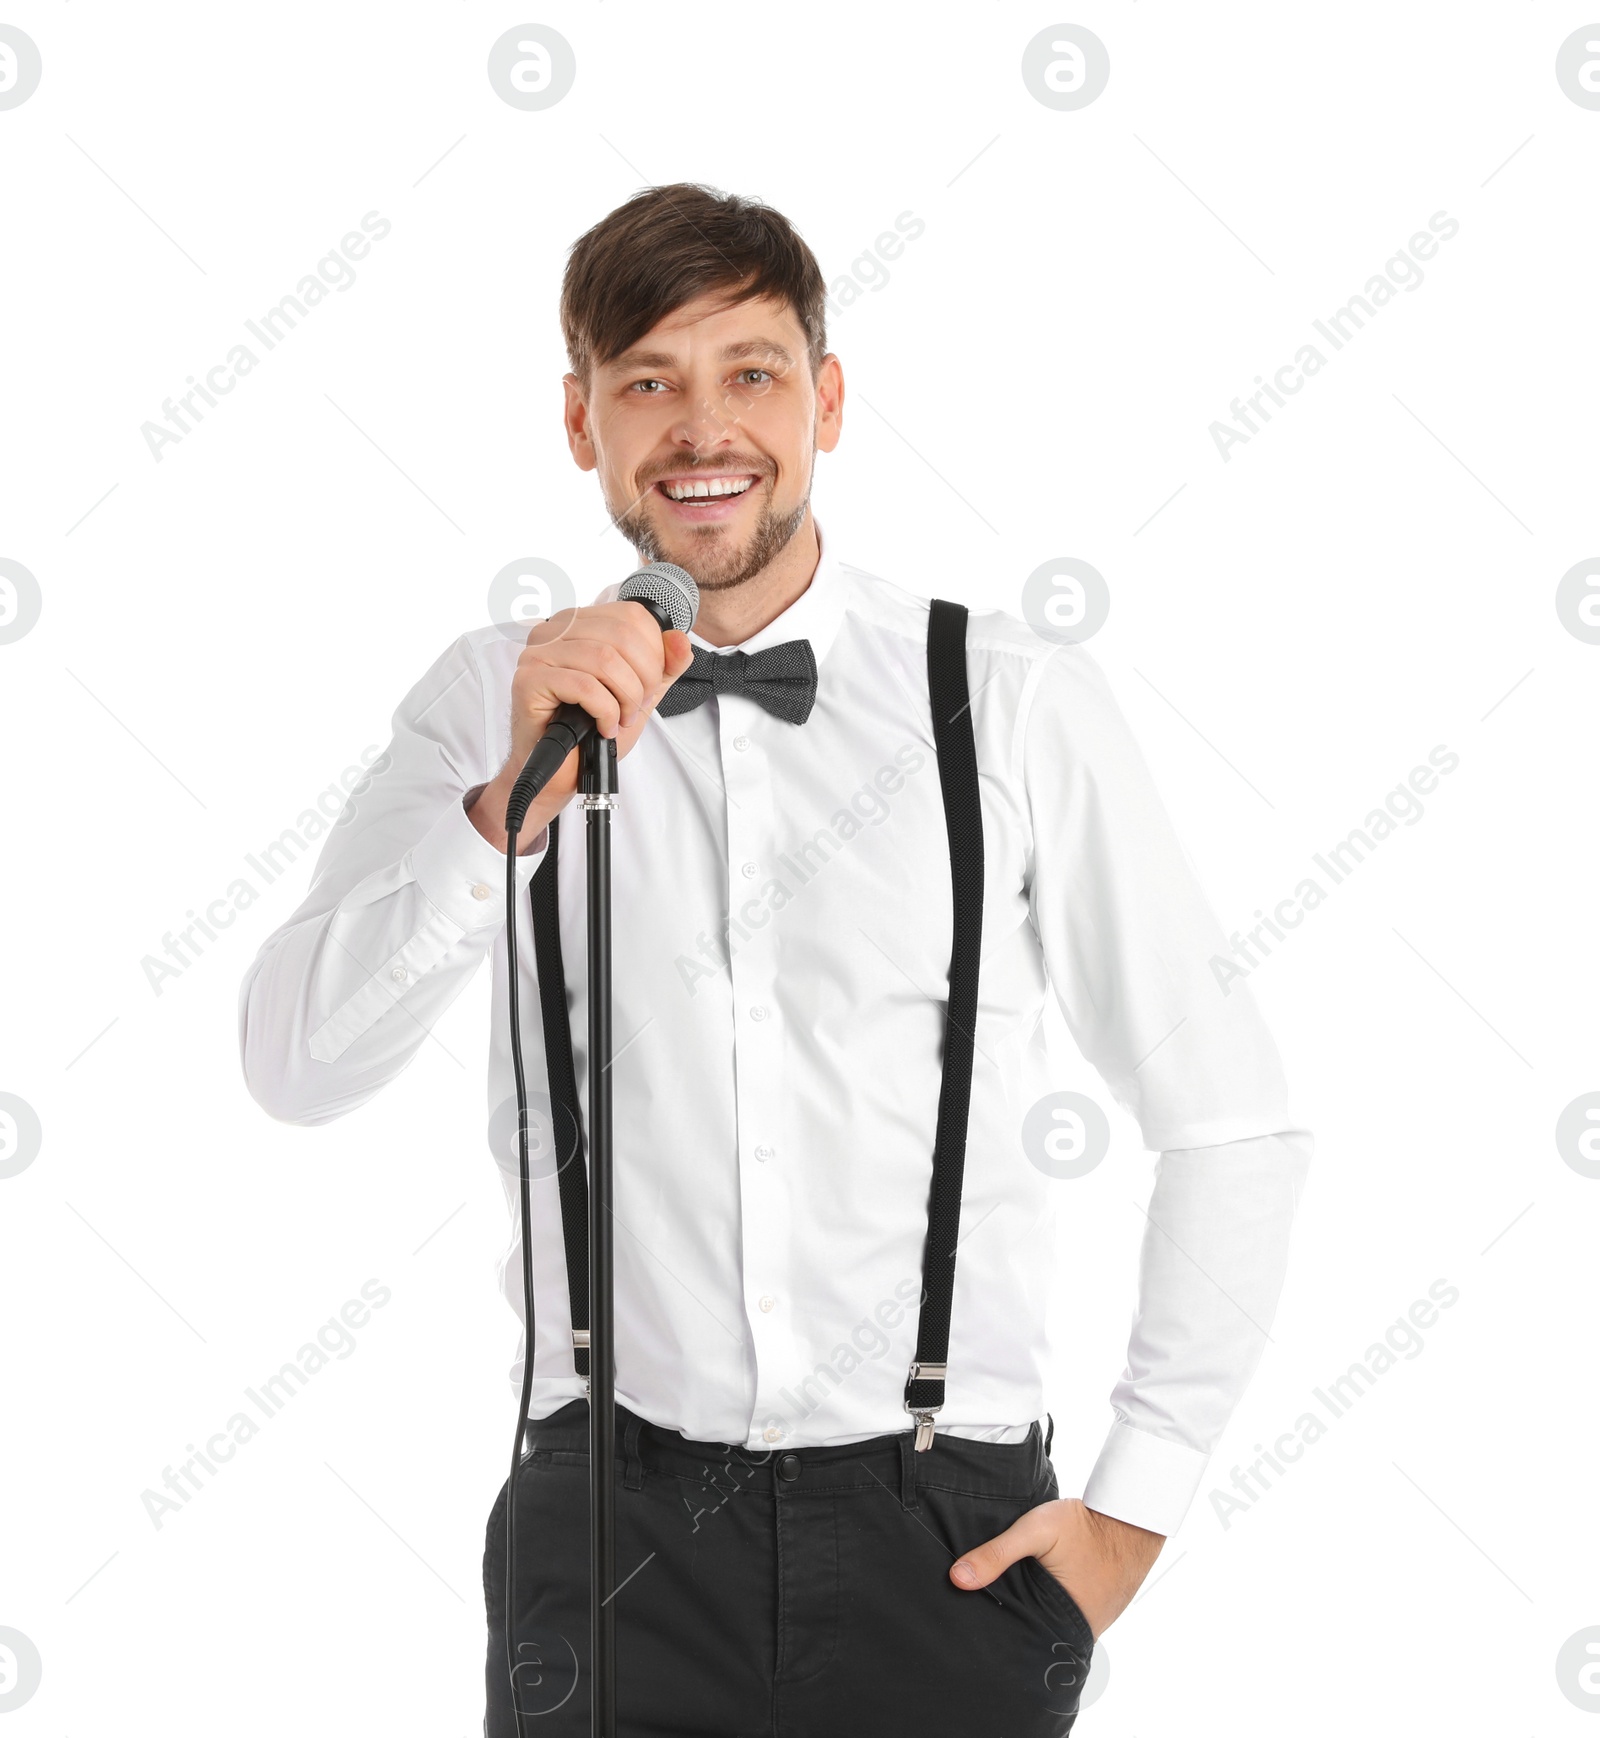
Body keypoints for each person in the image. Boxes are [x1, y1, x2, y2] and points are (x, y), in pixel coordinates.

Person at [239, 182, 1312, 1736]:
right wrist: (499, 814)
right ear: (579, 421)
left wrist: (1133, 1508)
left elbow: (1232, 1117)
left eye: (747, 371)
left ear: (825, 399)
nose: (700, 428)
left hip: (948, 1541)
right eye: (646, 381)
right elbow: (293, 1067)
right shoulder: (490, 697)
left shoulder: (1002, 699)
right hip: (604, 1532)